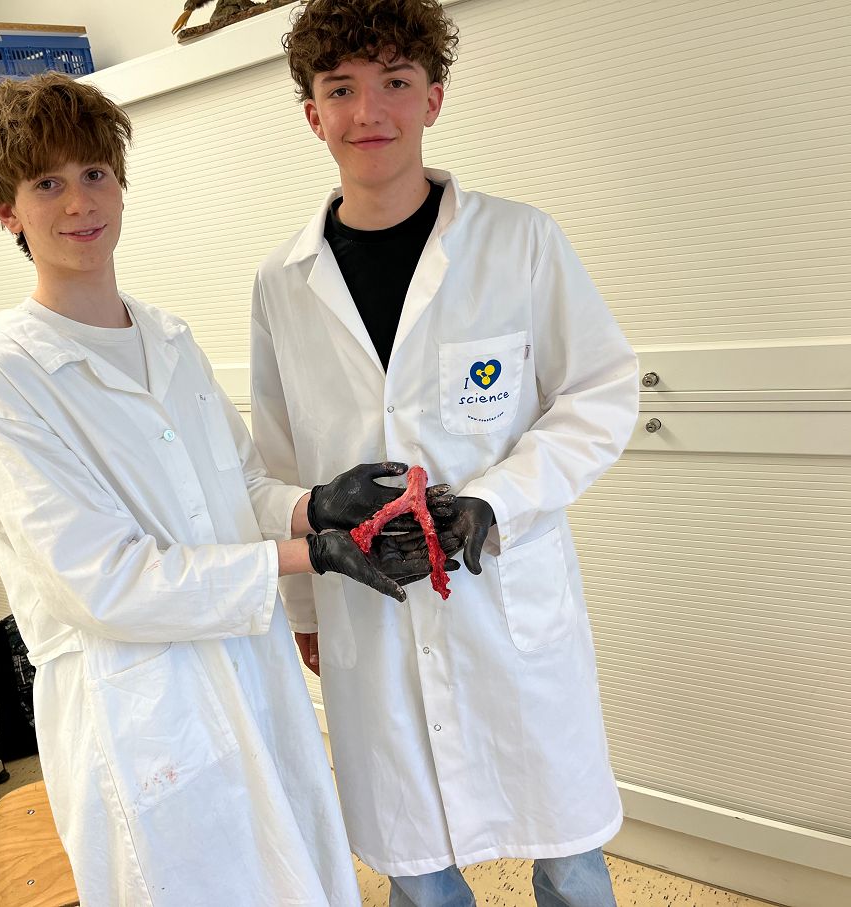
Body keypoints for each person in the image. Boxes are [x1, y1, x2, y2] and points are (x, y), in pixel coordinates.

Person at [0, 71, 444, 906]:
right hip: (141, 706)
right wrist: (310, 555)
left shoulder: (168, 338)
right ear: (7, 210)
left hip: (248, 669)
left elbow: (237, 486)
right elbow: (104, 582)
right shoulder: (4, 379)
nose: (80, 202)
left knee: (297, 870)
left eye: (94, 173)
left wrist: (314, 506)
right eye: (47, 184)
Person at [249, 2, 641, 905]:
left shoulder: (518, 241)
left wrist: (497, 498)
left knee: (569, 856)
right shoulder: (282, 282)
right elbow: (275, 455)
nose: (368, 111)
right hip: (370, 606)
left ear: (432, 98)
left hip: (504, 593)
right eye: (340, 89)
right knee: (418, 871)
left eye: (394, 82)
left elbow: (599, 392)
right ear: (312, 114)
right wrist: (305, 603)